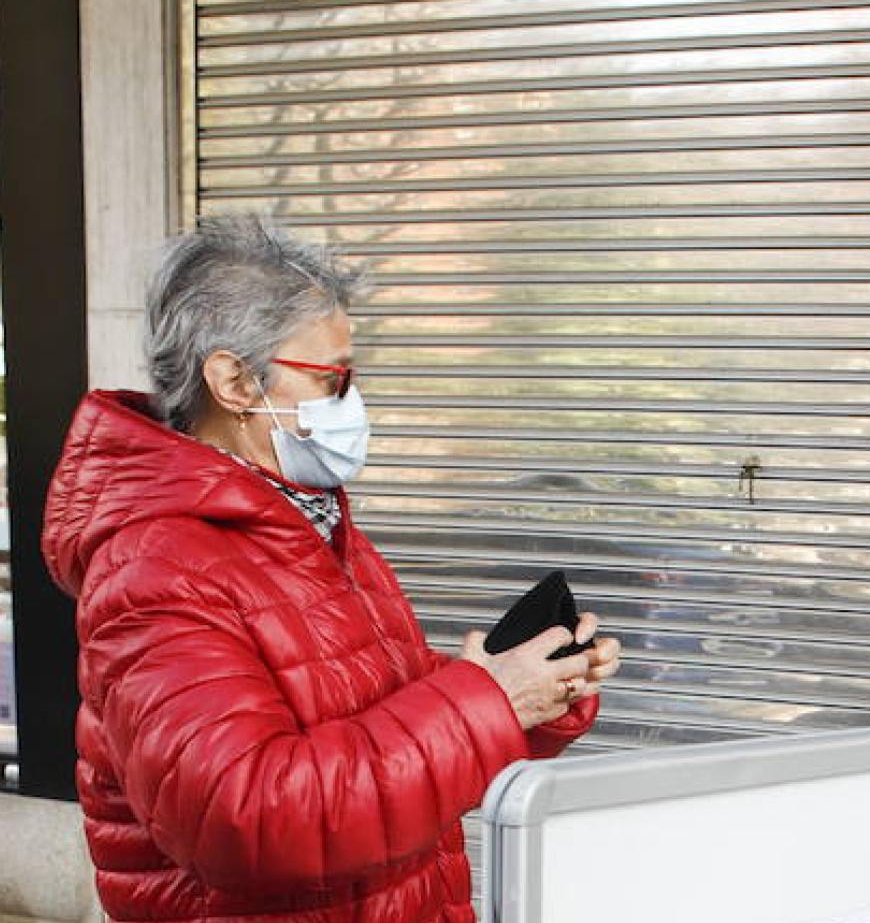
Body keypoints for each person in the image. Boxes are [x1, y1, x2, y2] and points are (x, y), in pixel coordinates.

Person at [42, 215, 624, 923]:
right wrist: (486, 703)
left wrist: (529, 693)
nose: (353, 402)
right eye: (331, 377)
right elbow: (243, 817)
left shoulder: (307, 521)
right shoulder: (155, 565)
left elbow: (376, 726)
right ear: (232, 380)